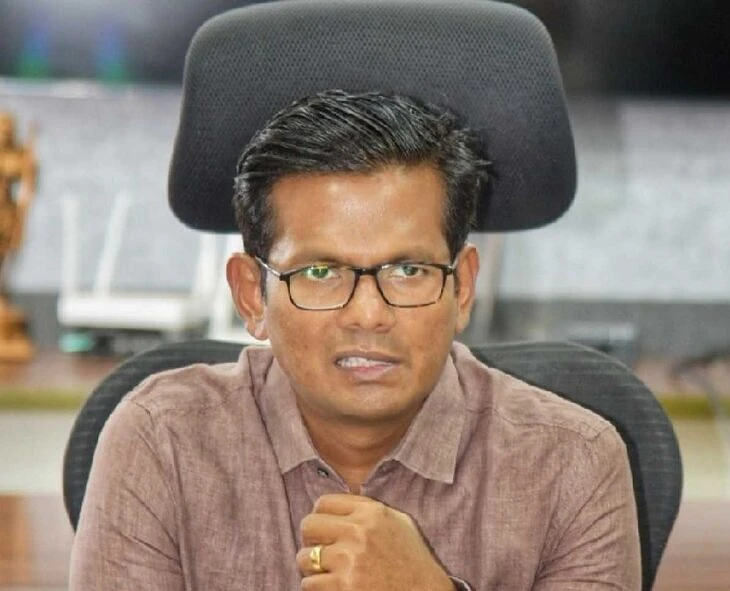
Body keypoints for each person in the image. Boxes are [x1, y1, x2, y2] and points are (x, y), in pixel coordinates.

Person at [69, 90, 641, 590]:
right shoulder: (163, 441)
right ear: (250, 296)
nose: (369, 315)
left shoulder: (575, 463)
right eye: (320, 272)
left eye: (409, 270)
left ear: (462, 288)